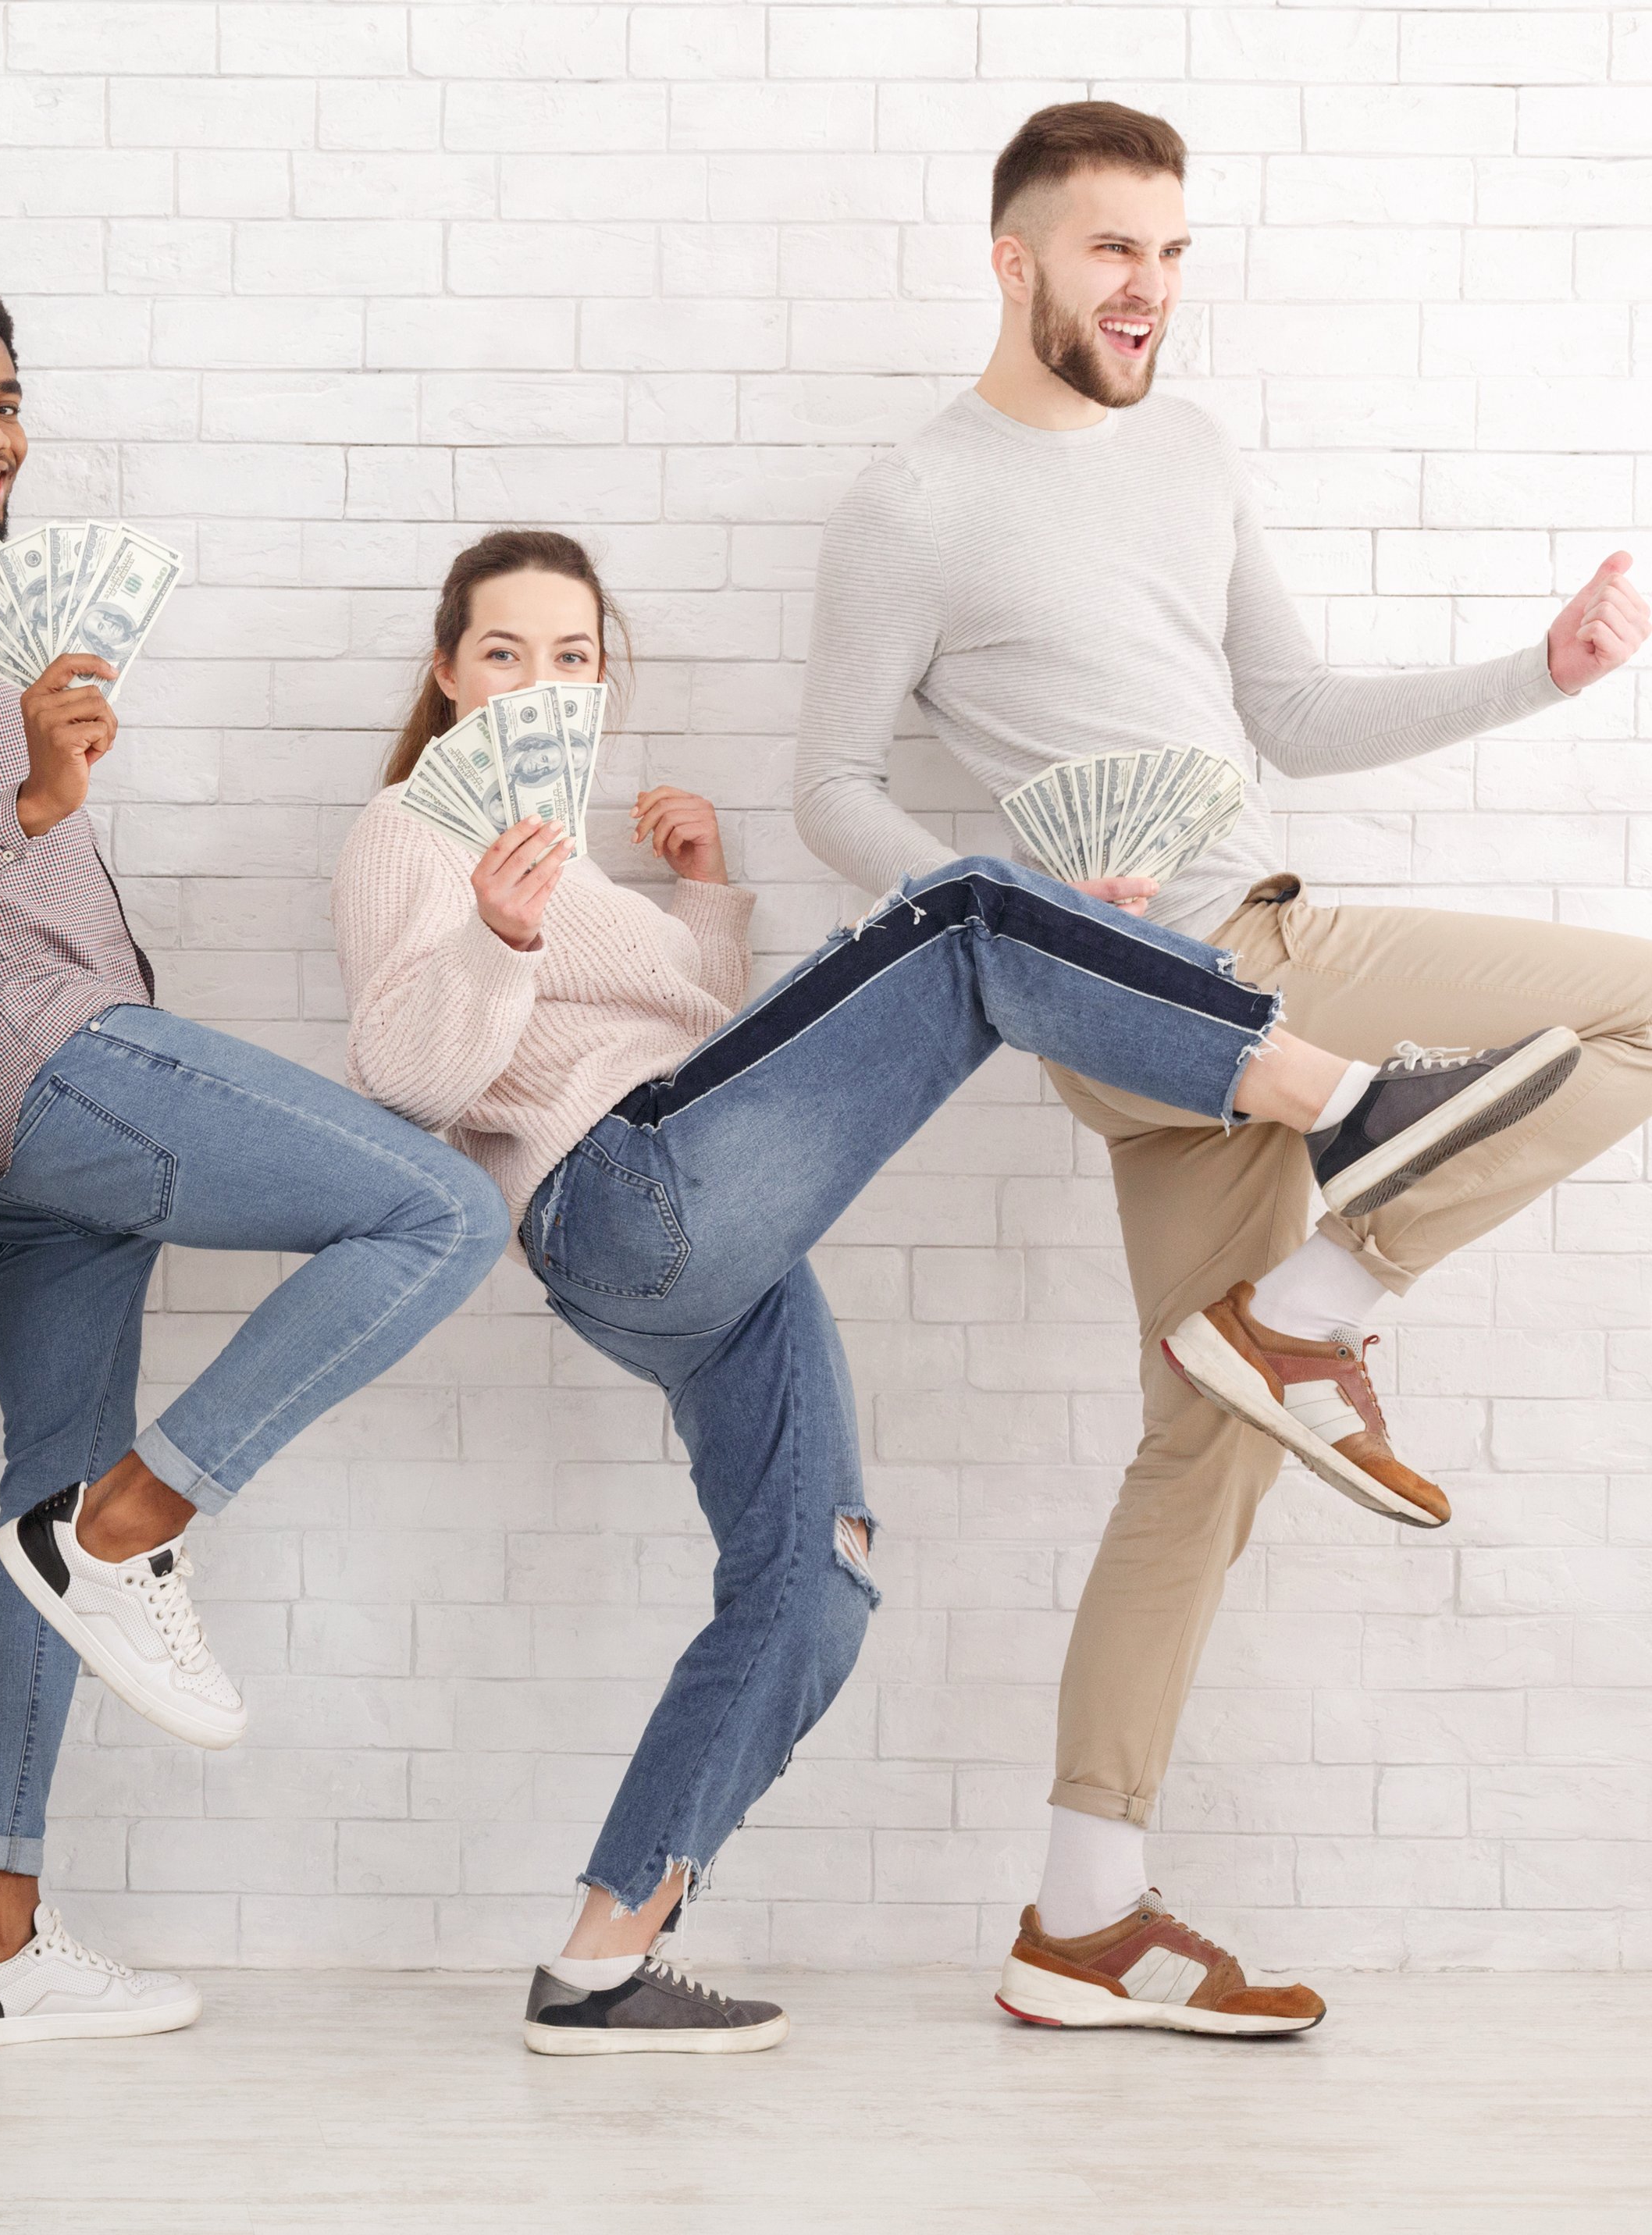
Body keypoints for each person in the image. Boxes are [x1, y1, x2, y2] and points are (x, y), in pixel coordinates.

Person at [335, 529, 1564, 2053]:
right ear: (450, 673)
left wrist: (706, 894)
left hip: (691, 1237)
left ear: (603, 681)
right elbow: (408, 1072)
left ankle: (600, 1962)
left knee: (817, 1577)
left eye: (572, 657)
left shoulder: (568, 852)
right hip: (622, 1191)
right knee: (974, 907)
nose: (539, 683)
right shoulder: (412, 825)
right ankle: (1354, 1107)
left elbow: (705, 1028)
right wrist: (498, 932)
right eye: (504, 655)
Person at [792, 101, 1652, 2033]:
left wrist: (1546, 672)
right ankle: (1309, 1312)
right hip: (1145, 979)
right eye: (1114, 252)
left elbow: (1290, 710)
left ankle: (1079, 1918)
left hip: (1256, 947)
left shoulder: (1189, 451)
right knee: (1640, 1013)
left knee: (1198, 1450)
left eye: (1173, 254)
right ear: (1013, 262)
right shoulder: (912, 502)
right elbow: (829, 792)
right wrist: (1026, 900)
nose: (1150, 291)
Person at [0, 279, 511, 2048]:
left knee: (37, 1485)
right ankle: (138, 1527)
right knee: (438, 1206)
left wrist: (33, 795)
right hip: (48, 1068)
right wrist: (25, 808)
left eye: (6, 400)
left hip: (23, 1113)